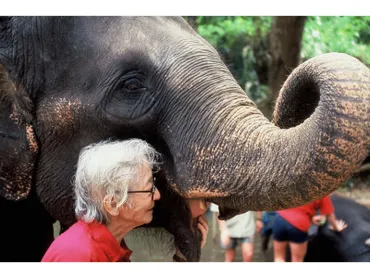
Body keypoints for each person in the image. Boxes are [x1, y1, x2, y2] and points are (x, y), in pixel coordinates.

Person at [42, 139, 209, 262]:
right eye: (149, 187)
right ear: (113, 203)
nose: (157, 195)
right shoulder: (76, 255)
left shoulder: (113, 246)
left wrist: (184, 257)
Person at [272, 195, 347, 262]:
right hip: (298, 225)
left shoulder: (296, 185)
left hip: (279, 219)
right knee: (297, 260)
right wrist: (336, 227)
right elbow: (329, 214)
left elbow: (297, 208)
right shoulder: (322, 192)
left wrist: (311, 218)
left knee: (279, 258)